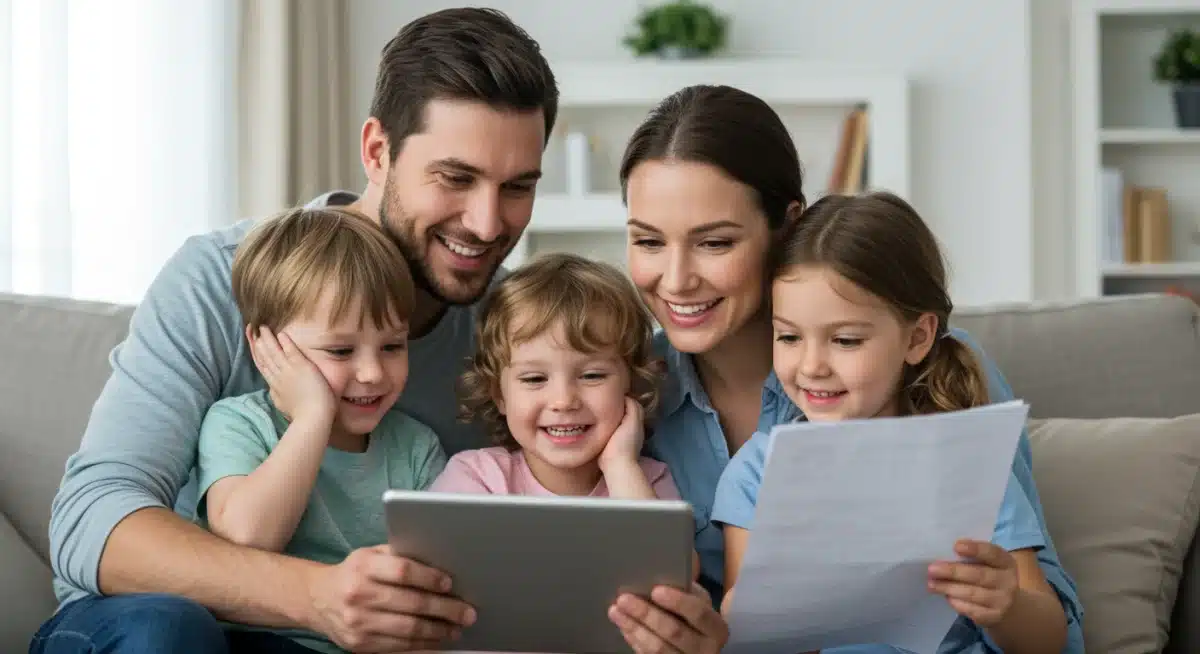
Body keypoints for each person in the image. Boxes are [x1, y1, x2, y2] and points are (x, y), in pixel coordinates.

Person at [33, 8, 728, 654]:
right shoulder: (223, 279)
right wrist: (314, 597)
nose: (488, 223)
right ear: (376, 151)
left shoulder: (516, 334)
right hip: (170, 630)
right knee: (166, 629)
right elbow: (92, 521)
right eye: (455, 178)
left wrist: (677, 623)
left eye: (518, 186)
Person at [619, 84, 1084, 651]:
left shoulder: (941, 382)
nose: (675, 280)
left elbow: (1051, 626)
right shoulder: (621, 389)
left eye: (714, 242)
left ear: (786, 228)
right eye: (648, 241)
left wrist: (1003, 603)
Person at [713, 192, 1069, 653]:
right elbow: (748, 635)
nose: (811, 366)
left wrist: (1007, 607)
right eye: (789, 337)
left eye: (845, 340)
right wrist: (750, 616)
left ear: (917, 338)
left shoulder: (966, 462)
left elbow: (1048, 642)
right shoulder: (757, 474)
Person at [194, 206, 448, 654]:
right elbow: (246, 538)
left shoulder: (416, 447)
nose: (372, 373)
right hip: (261, 642)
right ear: (264, 345)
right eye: (340, 350)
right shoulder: (239, 423)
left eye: (392, 346)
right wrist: (313, 416)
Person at [430, 252, 678, 503]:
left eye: (592, 375)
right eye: (534, 379)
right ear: (499, 395)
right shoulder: (476, 477)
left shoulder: (646, 481)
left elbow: (656, 532)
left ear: (632, 384)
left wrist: (620, 466)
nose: (564, 401)